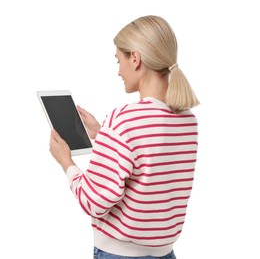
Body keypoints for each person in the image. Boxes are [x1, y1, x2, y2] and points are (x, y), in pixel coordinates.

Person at [49, 15, 199, 259]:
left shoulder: (124, 119)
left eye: (119, 60)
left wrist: (66, 162)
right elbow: (150, 161)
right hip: (165, 253)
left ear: (135, 58)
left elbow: (93, 202)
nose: (118, 70)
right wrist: (103, 134)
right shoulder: (187, 121)